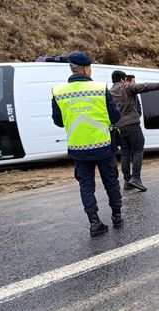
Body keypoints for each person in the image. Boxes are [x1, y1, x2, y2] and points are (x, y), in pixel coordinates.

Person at [51, 52, 123, 237]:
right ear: (85, 69)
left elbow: (58, 121)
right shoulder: (100, 88)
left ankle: (94, 223)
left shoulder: (58, 92)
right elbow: (116, 116)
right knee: (111, 182)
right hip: (103, 146)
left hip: (78, 149)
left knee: (86, 186)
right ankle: (117, 216)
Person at [110, 70, 159, 191]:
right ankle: (136, 178)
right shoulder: (127, 87)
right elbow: (145, 86)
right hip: (132, 125)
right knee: (138, 150)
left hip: (120, 126)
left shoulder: (110, 91)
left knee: (125, 153)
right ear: (123, 79)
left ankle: (127, 181)